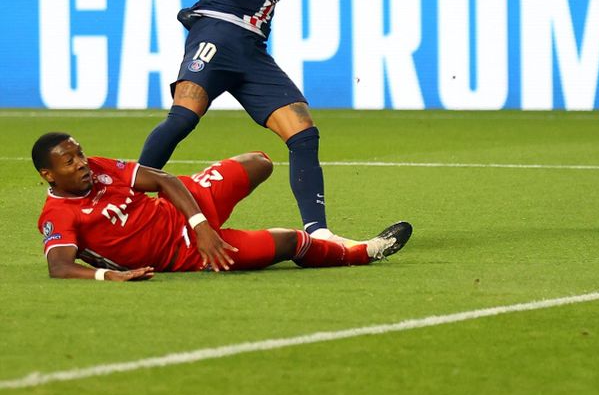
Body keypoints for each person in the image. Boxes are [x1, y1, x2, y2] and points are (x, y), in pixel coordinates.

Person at [139, 0, 372, 247]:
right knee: (182, 119)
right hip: (216, 31)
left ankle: (320, 233)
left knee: (303, 133)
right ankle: (124, 199)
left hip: (251, 50)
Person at [33, 132, 412, 281]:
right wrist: (107, 275)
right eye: (69, 162)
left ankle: (208, 206)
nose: (81, 163)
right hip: (187, 254)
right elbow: (60, 267)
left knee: (259, 161)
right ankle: (362, 252)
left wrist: (199, 224)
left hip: (191, 207)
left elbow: (164, 181)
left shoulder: (99, 167)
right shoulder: (57, 216)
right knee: (288, 243)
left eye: (79, 154)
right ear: (49, 175)